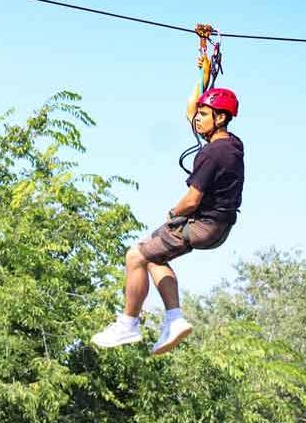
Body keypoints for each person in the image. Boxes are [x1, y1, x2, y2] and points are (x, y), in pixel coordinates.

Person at [91, 87, 244, 354]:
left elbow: (192, 200)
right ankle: (174, 320)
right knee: (154, 256)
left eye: (203, 114)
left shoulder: (211, 154)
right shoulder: (233, 145)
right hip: (220, 225)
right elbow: (191, 108)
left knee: (135, 256)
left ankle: (128, 324)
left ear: (219, 118)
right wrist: (204, 67)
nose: (196, 119)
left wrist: (174, 213)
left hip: (201, 224)